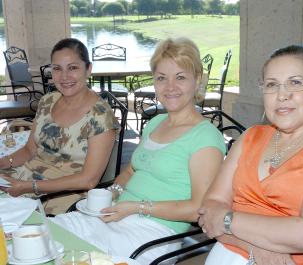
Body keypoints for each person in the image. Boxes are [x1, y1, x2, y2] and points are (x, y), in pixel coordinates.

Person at [52, 37, 226, 264]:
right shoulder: (156, 123)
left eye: (180, 77)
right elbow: (132, 171)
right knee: (44, 234)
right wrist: (111, 192)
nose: (170, 87)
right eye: (161, 78)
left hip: (152, 234)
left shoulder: (205, 137)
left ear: (197, 79)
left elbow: (197, 209)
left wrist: (137, 207)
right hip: (114, 215)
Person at [198, 45, 303, 265]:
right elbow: (209, 210)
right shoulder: (250, 137)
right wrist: (252, 246)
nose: (282, 95)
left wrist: (226, 220)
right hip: (233, 253)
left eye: (295, 82)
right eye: (272, 85)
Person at [0, 38, 120, 210]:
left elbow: (88, 180)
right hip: (25, 178)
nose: (64, 77)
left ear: (88, 69)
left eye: (73, 68)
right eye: (57, 69)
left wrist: (29, 187)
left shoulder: (100, 116)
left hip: (64, 194)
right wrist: (3, 162)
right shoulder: (48, 101)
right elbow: (29, 150)